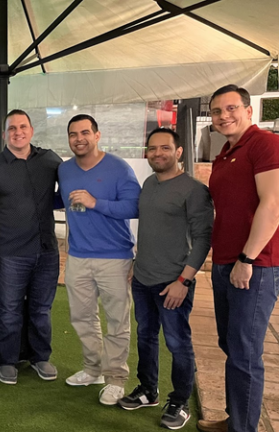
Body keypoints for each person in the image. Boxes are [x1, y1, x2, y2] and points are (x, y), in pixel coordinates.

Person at [117, 128, 212, 430]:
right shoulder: (149, 183)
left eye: (165, 148)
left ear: (179, 152)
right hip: (143, 278)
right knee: (145, 336)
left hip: (173, 282)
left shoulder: (194, 190)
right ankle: (148, 390)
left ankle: (180, 401)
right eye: (152, 148)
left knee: (177, 343)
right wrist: (137, 262)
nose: (158, 153)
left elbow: (203, 239)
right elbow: (151, 229)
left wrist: (184, 281)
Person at [197, 85, 279, 432]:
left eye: (231, 108)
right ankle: (236, 420)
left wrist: (247, 258)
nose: (223, 116)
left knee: (244, 351)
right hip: (226, 261)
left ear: (248, 110)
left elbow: (272, 205)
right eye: (217, 111)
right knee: (230, 343)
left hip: (254, 264)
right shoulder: (226, 152)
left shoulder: (265, 144)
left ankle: (243, 428)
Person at [0, 109, 63, 385]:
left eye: (23, 127)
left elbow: (68, 189)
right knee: (9, 310)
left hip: (46, 251)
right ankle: (8, 361)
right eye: (12, 128)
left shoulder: (50, 160)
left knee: (41, 310)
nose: (18, 132)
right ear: (4, 134)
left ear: (31, 131)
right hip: (9, 253)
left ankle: (40, 357)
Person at [58, 114, 141, 405]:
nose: (79, 139)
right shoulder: (64, 169)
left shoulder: (118, 168)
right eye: (73, 134)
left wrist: (95, 203)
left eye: (85, 132)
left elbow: (135, 206)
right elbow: (59, 199)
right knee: (82, 317)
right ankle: (93, 369)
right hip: (78, 256)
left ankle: (115, 378)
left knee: (117, 321)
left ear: (97, 135)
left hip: (115, 258)